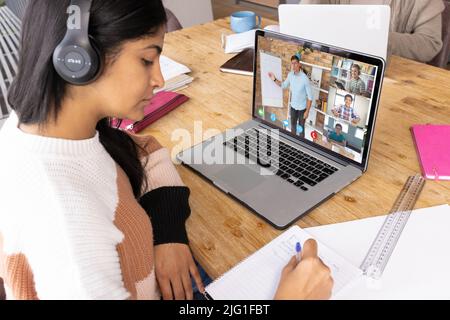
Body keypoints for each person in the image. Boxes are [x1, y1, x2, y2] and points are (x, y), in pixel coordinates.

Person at [0, 0, 333, 300]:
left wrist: (166, 233)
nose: (159, 78)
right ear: (80, 58)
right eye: (147, 59)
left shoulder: (55, 131)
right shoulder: (65, 225)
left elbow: (148, 153)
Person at [300, 0, 445, 63]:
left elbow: (429, 43)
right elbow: (302, 18)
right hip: (332, 63)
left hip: (393, 79)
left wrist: (381, 40)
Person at [268, 55, 313, 138]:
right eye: (292, 64)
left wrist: (307, 111)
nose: (294, 65)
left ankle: (301, 147)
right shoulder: (290, 75)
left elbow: (310, 98)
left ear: (299, 64)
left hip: (302, 110)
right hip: (293, 107)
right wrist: (274, 79)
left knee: (301, 129)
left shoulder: (305, 79)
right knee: (293, 128)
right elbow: (283, 85)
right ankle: (293, 145)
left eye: (295, 63)